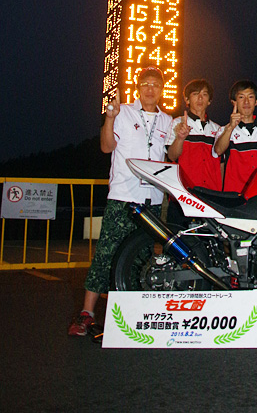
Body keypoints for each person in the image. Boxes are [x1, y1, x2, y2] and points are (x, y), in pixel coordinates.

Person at [68, 66, 174, 336]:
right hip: (123, 197)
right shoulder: (123, 112)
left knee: (141, 258)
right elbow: (106, 147)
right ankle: (86, 314)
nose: (150, 89)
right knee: (106, 254)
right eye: (145, 84)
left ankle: (132, 317)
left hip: (151, 200)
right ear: (137, 88)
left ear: (162, 90)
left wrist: (181, 137)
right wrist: (110, 118)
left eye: (155, 85)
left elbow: (172, 154)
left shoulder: (167, 120)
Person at [167, 79, 222, 190]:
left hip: (211, 192)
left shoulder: (217, 129)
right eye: (195, 94)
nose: (200, 98)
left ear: (209, 101)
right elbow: (171, 156)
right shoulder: (177, 123)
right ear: (187, 99)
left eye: (204, 94)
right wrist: (180, 138)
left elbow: (221, 164)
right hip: (184, 190)